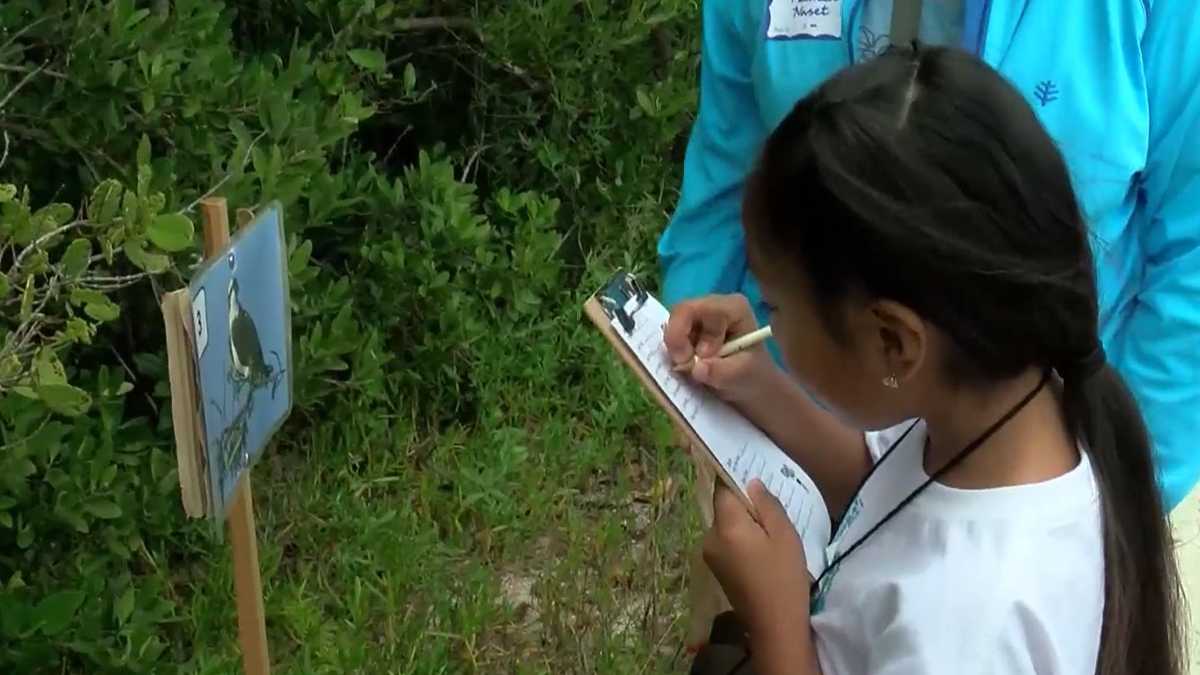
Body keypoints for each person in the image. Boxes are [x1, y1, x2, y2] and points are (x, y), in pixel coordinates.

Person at [664, 44, 1184, 674]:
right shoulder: (1003, 404)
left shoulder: (973, 629)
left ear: (895, 343)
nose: (768, 327)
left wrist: (777, 627)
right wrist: (758, 387)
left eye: (777, 306)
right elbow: (880, 481)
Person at [658, 0, 1200, 510]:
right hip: (790, 453)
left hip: (1039, 468)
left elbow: (1190, 252)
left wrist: (1121, 499)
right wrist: (714, 412)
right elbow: (725, 180)